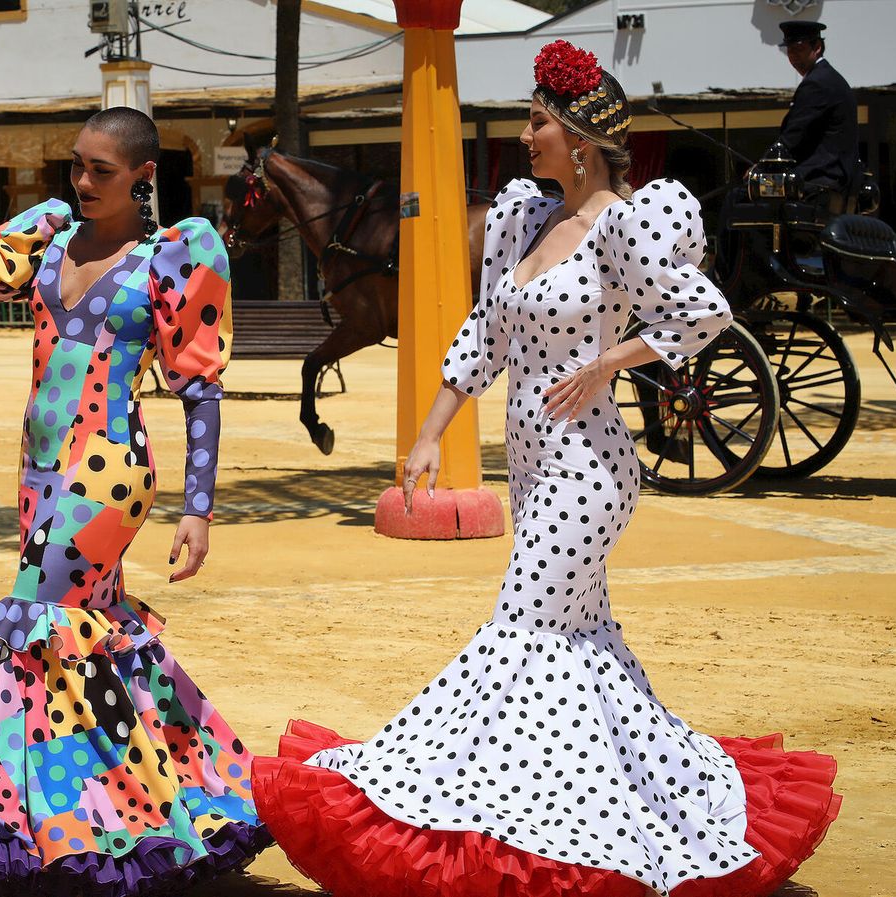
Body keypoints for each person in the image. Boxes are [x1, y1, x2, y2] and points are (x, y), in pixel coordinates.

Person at [251, 41, 841, 897]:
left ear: (581, 138)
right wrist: (430, 431)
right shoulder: (526, 219)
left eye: (536, 123)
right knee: (583, 647)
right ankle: (651, 792)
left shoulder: (625, 223)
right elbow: (486, 334)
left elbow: (702, 311)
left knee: (523, 630)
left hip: (589, 465)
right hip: (531, 462)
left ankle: (519, 820)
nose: (526, 137)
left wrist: (610, 361)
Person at [0, 105, 268, 895]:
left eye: (102, 170)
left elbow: (201, 391)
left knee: (36, 623)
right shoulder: (53, 235)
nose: (83, 181)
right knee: (80, 640)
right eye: (76, 165)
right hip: (36, 469)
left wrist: (199, 508)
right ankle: (168, 803)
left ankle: (8, 819)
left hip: (108, 471)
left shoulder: (176, 254)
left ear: (144, 178)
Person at [777, 20, 859, 211]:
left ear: (817, 47)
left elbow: (794, 136)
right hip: (835, 179)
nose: (793, 57)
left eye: (798, 49)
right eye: (789, 51)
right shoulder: (829, 78)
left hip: (819, 180)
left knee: (737, 198)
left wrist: (764, 166)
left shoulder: (817, 83)